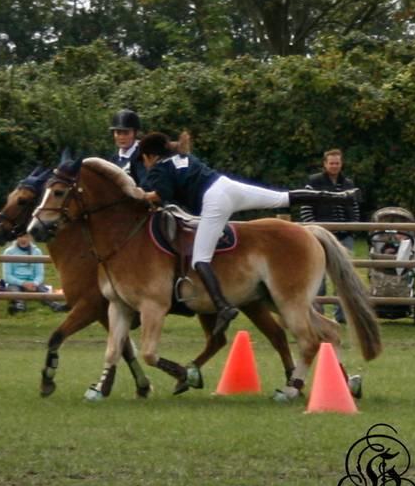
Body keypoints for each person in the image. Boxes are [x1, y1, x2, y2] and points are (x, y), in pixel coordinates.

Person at [138, 132, 359, 336]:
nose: (145, 164)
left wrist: (142, 196)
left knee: (200, 259)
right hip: (226, 186)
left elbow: (163, 195)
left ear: (150, 156)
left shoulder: (160, 167)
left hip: (213, 201)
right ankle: (341, 197)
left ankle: (223, 307)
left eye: (144, 159)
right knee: (282, 198)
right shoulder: (181, 156)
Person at [299, 148, 361, 323]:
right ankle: (318, 314)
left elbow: (354, 207)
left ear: (341, 164)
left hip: (344, 236)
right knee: (318, 276)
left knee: (343, 275)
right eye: (331, 163)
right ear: (325, 164)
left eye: (337, 163)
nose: (334, 166)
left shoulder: (348, 183)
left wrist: (352, 228)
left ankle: (342, 315)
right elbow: (306, 207)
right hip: (321, 235)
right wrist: (315, 229)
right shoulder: (314, 182)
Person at [1, 232, 68, 314]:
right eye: (20, 237)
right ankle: (19, 306)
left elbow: (39, 274)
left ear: (31, 238)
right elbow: (7, 276)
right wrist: (23, 283)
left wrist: (34, 283)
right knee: (14, 290)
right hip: (15, 282)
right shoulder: (9, 252)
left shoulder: (37, 251)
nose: (23, 239)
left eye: (26, 237)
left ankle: (54, 305)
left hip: (33, 282)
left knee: (41, 289)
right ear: (16, 238)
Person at [109, 109, 147, 185]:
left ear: (135, 133)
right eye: (118, 133)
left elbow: (145, 186)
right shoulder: (113, 159)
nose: (122, 137)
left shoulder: (142, 156)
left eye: (126, 133)